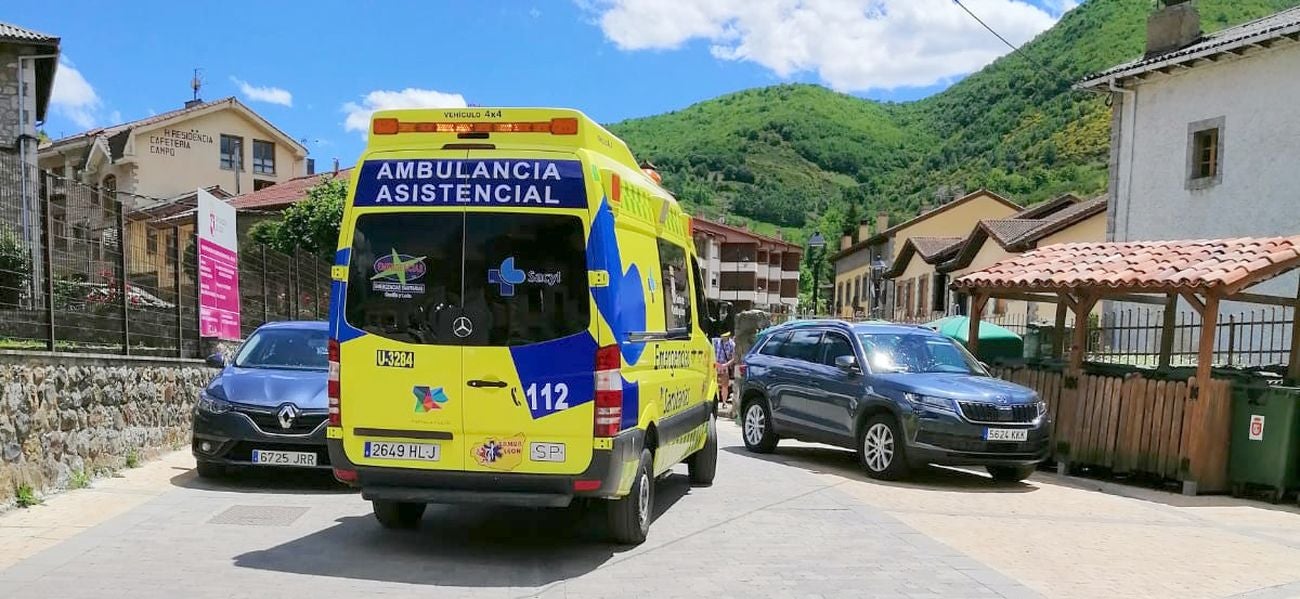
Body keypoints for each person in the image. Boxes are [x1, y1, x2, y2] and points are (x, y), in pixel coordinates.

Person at [713, 332, 736, 407]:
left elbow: (733, 358)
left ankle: (724, 402)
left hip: (724, 365)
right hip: (715, 365)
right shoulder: (716, 341)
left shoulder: (732, 344)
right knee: (713, 383)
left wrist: (725, 365)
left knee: (724, 385)